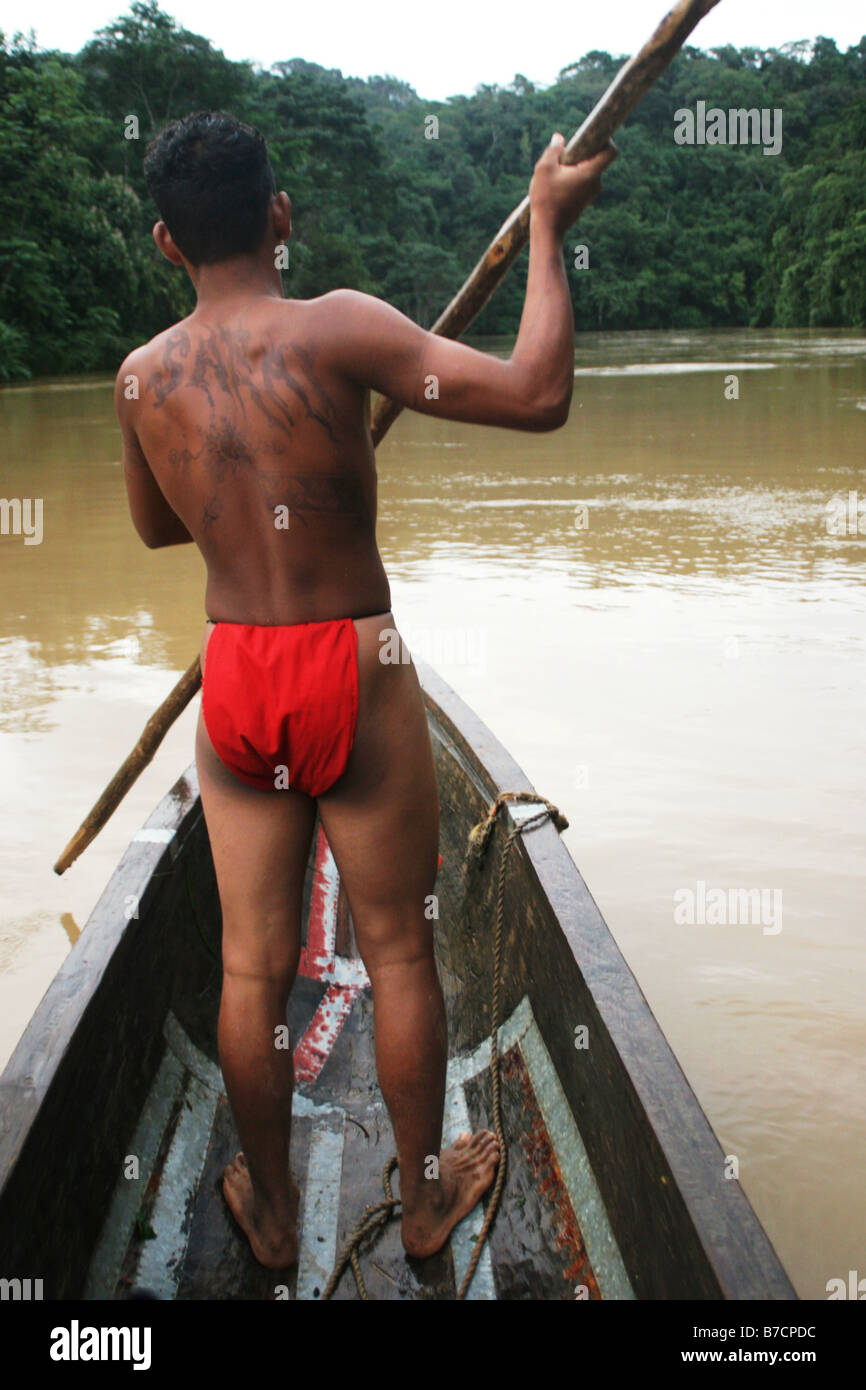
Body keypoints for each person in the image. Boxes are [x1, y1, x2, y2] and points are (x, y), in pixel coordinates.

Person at [117, 111, 615, 1270]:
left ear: (162, 243)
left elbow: (154, 528)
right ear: (279, 220)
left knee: (252, 966)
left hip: (238, 675)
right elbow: (536, 392)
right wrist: (543, 225)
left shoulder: (143, 375)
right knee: (395, 949)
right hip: (352, 660)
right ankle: (428, 1202)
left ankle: (276, 1218)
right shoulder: (338, 326)